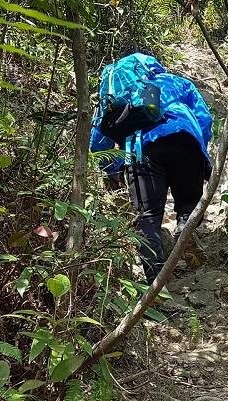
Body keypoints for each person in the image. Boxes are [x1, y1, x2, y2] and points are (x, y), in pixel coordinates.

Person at [90, 52, 213, 284]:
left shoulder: (120, 94)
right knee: (188, 202)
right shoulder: (175, 81)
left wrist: (113, 168)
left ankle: (155, 284)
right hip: (185, 140)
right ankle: (184, 228)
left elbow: (99, 140)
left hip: (141, 150)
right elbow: (204, 118)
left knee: (147, 217)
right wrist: (201, 151)